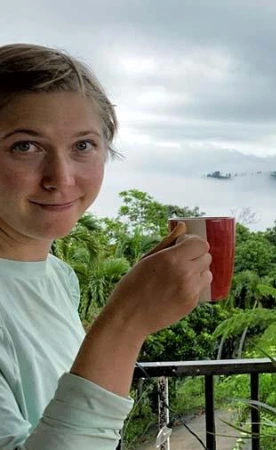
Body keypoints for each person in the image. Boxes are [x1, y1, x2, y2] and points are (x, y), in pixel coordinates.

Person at [0, 43, 212, 449]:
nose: (60, 178)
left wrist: (141, 303)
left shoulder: (58, 275)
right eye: (24, 146)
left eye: (82, 145)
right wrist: (126, 321)